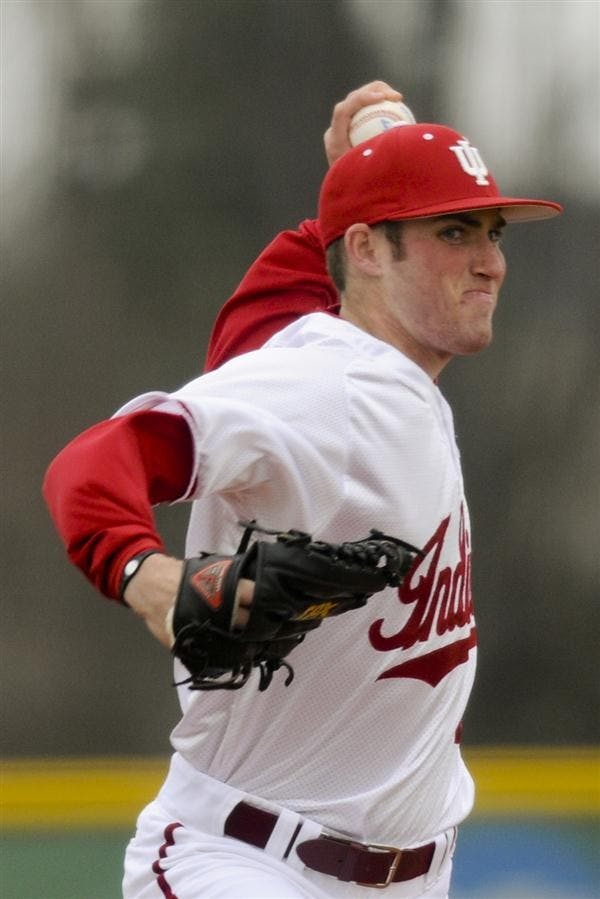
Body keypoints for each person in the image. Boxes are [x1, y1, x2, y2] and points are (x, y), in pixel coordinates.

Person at [43, 82, 562, 899]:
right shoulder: (325, 385)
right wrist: (148, 577)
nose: (491, 260)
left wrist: (350, 181)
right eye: (454, 231)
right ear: (364, 250)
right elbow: (92, 461)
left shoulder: (349, 361)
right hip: (248, 862)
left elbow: (258, 317)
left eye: (491, 232)